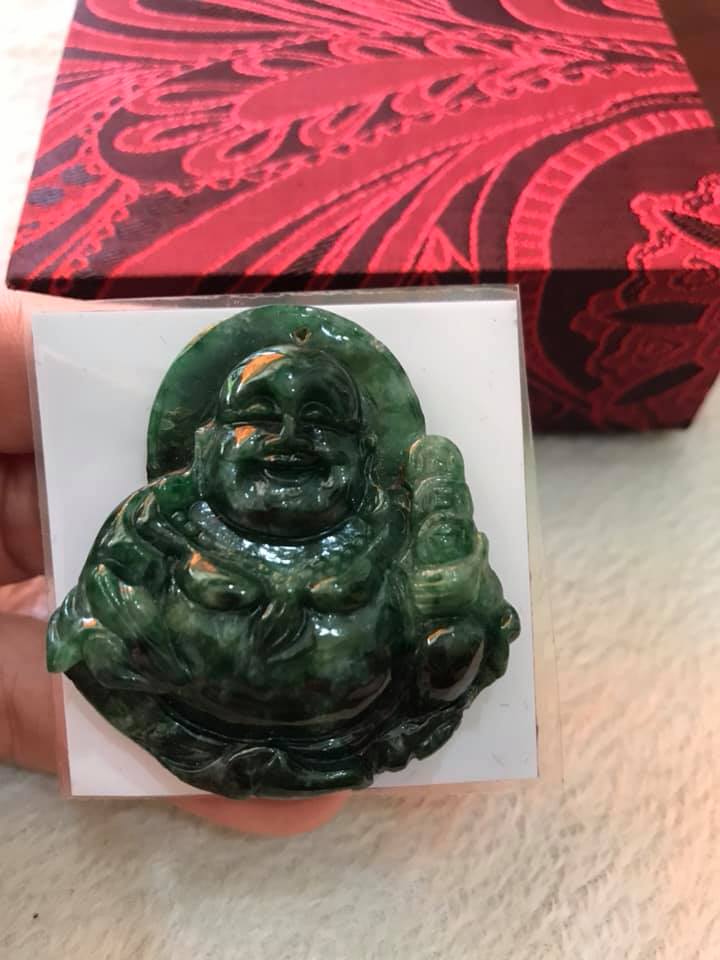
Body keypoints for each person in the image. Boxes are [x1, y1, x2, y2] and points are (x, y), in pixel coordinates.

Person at [0, 289, 347, 835]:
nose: (288, 437)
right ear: (207, 443)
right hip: (184, 724)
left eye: (321, 420)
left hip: (351, 732)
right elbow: (94, 626)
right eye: (258, 415)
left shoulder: (392, 539)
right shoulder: (156, 529)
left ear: (364, 451)